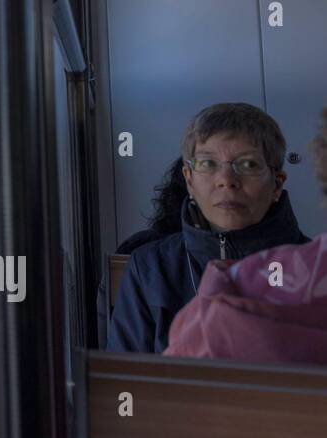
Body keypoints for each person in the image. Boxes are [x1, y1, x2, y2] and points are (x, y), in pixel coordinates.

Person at [108, 103, 310, 354]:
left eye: (248, 165)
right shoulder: (149, 269)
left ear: (277, 185)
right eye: (208, 164)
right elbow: (127, 384)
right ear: (189, 180)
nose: (226, 180)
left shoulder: (315, 269)